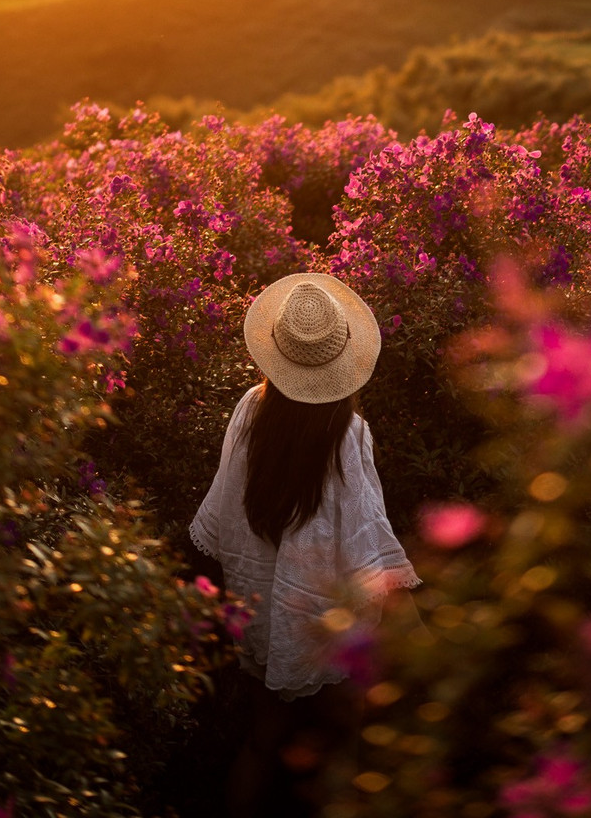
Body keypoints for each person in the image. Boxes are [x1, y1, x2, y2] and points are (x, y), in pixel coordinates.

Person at [189, 271, 419, 816]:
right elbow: (369, 542)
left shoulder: (250, 409)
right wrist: (420, 632)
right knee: (346, 752)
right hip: (325, 622)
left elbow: (222, 518)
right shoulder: (347, 434)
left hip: (261, 611)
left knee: (260, 743)